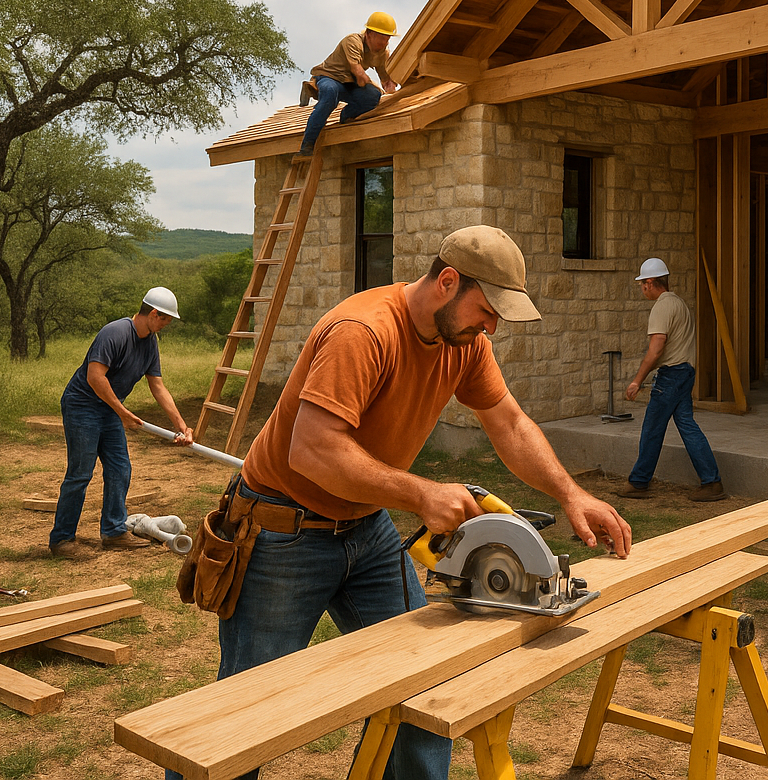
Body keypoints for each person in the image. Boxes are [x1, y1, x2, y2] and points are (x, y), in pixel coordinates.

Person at [172, 226, 632, 780]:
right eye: (486, 310)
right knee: (246, 710)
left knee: (426, 684)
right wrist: (420, 493)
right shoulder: (362, 331)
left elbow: (509, 424)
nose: (490, 327)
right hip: (281, 531)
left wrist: (571, 494)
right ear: (446, 281)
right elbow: (313, 451)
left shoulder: (465, 345)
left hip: (365, 530)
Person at [51, 287, 194, 559]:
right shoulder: (114, 333)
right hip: (82, 406)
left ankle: (114, 532)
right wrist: (122, 412)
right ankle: (61, 540)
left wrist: (181, 425)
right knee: (80, 473)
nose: (167, 325)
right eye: (166, 320)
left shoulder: (150, 341)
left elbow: (158, 386)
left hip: (109, 408)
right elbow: (95, 377)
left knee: (120, 468)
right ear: (154, 314)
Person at [619, 258, 726, 502]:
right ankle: (712, 482)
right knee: (687, 426)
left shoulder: (662, 307)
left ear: (649, 283)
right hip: (685, 372)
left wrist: (637, 381)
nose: (642, 289)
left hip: (671, 376)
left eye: (642, 284)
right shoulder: (678, 303)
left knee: (652, 429)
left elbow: (656, 349)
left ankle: (638, 482)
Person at [297, 11, 401, 157]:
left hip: (348, 84)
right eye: (381, 39)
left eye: (387, 39)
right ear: (369, 34)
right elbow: (358, 71)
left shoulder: (382, 53)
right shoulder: (352, 41)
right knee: (330, 94)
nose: (384, 43)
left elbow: (386, 80)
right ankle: (307, 145)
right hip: (329, 77)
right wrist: (370, 82)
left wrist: (392, 91)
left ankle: (346, 118)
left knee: (373, 96)